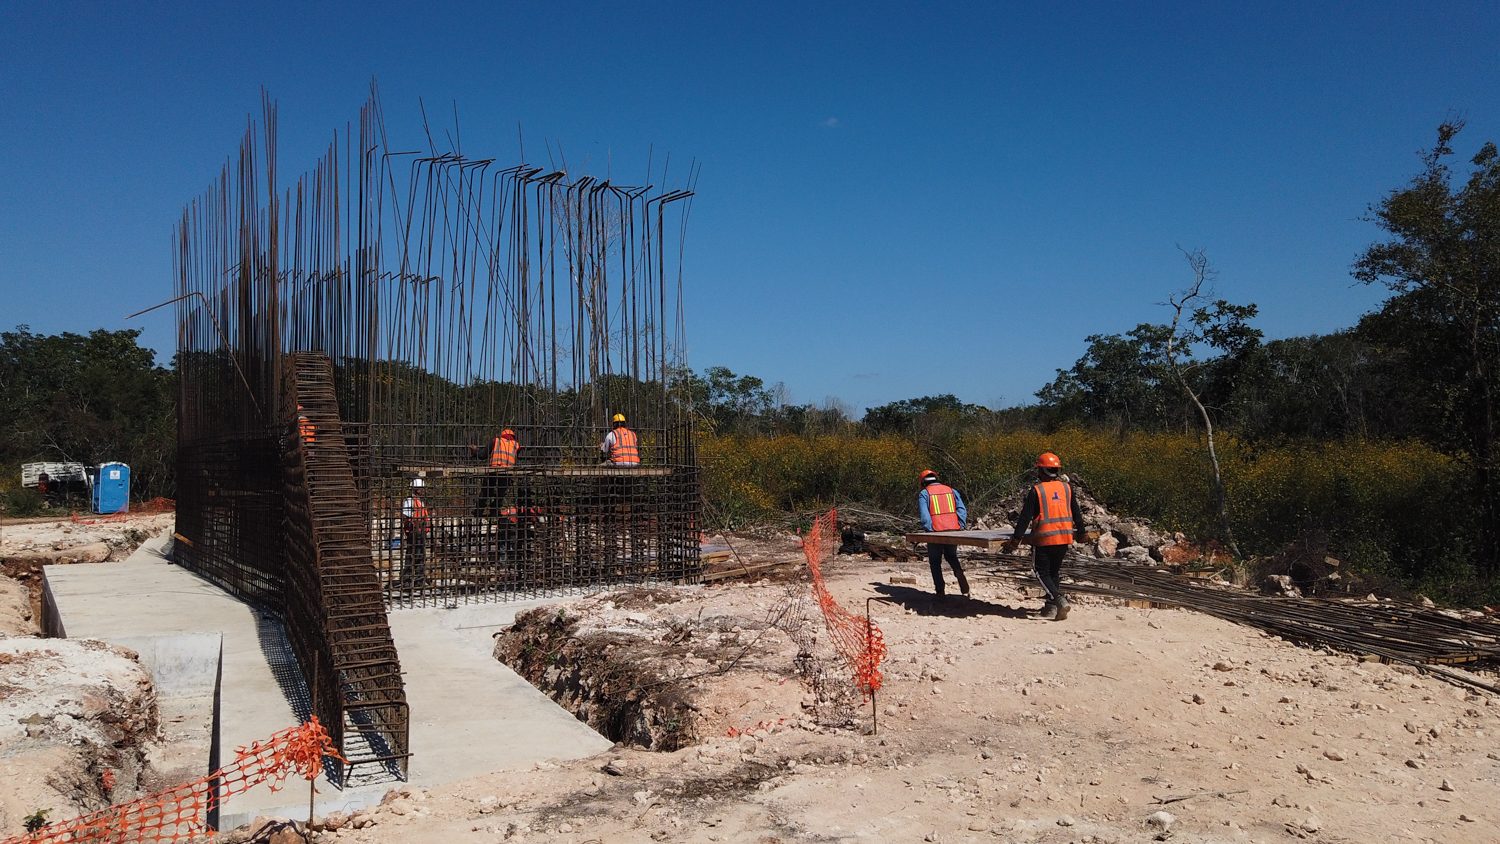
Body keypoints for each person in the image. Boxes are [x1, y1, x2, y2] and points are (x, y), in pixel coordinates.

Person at [1001, 452, 1087, 620]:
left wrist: (1015, 540)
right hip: (1064, 538)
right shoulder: (1067, 488)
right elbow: (1077, 513)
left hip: (1044, 539)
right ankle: (1050, 608)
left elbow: (1025, 518)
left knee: (1040, 572)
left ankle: (1058, 599)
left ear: (1042, 471)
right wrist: (1082, 532)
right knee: (1053, 572)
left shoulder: (1037, 491)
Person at [918, 470, 971, 599]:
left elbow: (925, 516)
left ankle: (940, 591)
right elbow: (962, 510)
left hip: (935, 531)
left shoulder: (925, 494)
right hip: (953, 530)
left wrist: (929, 530)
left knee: (935, 561)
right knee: (951, 555)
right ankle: (958, 572)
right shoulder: (951, 490)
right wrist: (960, 525)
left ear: (923, 483)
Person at [401, 478, 431, 590]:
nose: (423, 491)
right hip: (414, 534)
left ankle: (419, 580)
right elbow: (406, 518)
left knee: (420, 557)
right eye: (421, 489)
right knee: (411, 556)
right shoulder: (410, 501)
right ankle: (407, 581)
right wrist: (413, 528)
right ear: (417, 489)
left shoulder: (419, 501)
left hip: (421, 533)